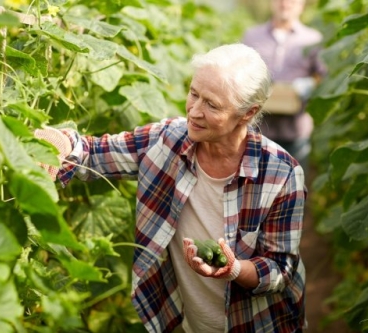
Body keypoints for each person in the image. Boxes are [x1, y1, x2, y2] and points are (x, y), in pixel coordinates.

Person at [35, 43, 307, 333]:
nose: (194, 111)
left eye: (212, 105)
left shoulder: (282, 174)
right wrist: (58, 143)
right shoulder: (165, 140)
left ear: (247, 113)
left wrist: (234, 269)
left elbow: (280, 270)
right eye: (193, 94)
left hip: (260, 324)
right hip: (186, 322)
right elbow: (93, 152)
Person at [242, 0, 327, 175]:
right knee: (254, 189)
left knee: (292, 188)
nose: (285, 3)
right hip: (257, 129)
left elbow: (322, 75)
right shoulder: (252, 36)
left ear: (302, 5)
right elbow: (241, 70)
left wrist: (310, 84)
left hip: (295, 131)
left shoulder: (312, 39)